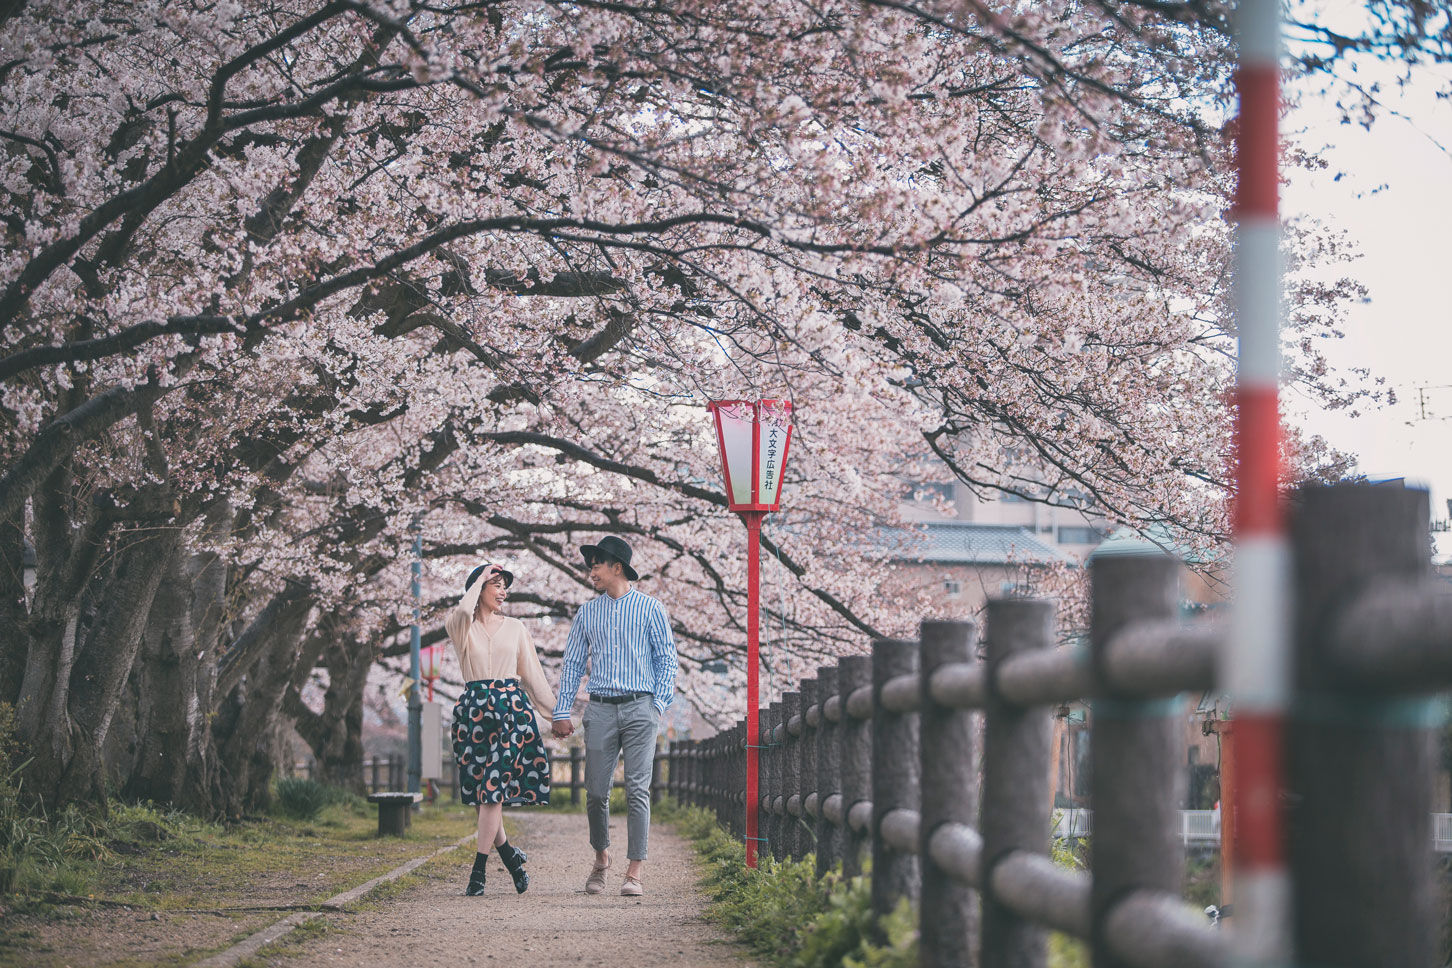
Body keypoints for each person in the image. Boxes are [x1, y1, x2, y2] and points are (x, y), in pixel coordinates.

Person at [551, 536, 677, 897]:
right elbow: (573, 663)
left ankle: (634, 871)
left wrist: (657, 705)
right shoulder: (587, 613)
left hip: (641, 707)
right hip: (601, 708)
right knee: (595, 792)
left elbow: (666, 659)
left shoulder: (651, 609)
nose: (592, 572)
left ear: (616, 567)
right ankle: (602, 857)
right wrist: (562, 710)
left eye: (596, 565)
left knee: (638, 789)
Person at [445, 563, 555, 896]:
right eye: (497, 584)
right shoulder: (462, 628)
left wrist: (556, 716)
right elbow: (460, 613)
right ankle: (510, 856)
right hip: (474, 713)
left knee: (492, 789)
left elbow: (533, 676)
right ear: (479, 590)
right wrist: (479, 578)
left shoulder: (516, 628)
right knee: (484, 795)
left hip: (510, 714)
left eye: (505, 585)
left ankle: (478, 873)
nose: (503, 590)